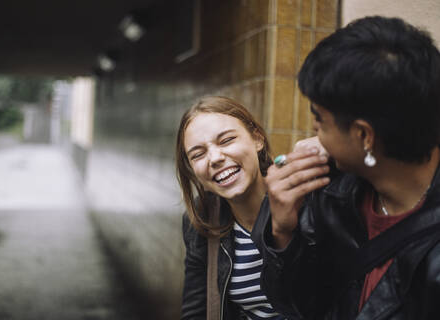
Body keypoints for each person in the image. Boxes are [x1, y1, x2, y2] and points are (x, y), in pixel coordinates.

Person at [253, 16, 440, 319]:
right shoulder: (330, 190)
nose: (312, 137)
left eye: (319, 122)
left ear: (364, 135)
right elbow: (298, 306)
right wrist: (283, 232)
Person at [177, 96, 312, 319]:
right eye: (198, 154)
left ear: (257, 139)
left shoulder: (303, 196)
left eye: (226, 140)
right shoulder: (202, 221)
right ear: (193, 171)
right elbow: (196, 311)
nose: (215, 158)